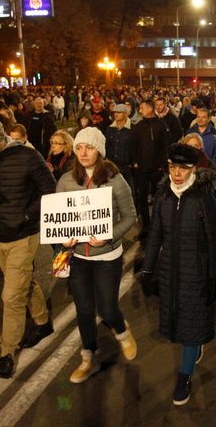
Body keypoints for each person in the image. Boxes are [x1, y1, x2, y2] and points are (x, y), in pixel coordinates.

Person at [0, 115, 57, 378]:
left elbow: (49, 189)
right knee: (23, 283)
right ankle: (42, 322)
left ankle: (7, 353)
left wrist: (27, 216)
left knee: (12, 296)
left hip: (22, 236)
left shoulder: (28, 157)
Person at [141, 143, 216, 406]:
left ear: (193, 169)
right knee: (177, 319)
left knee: (191, 324)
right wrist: (148, 268)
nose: (177, 173)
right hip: (170, 270)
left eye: (183, 168)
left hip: (196, 271)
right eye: (173, 167)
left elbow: (214, 239)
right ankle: (195, 347)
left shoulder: (203, 196)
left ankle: (184, 376)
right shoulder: (164, 194)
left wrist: (213, 276)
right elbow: (155, 234)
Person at [56, 127, 138, 384]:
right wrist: (63, 237)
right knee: (84, 309)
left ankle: (122, 331)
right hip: (79, 257)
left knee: (108, 307)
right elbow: (59, 218)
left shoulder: (115, 179)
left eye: (89, 147)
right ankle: (87, 356)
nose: (83, 152)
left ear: (99, 151)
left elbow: (130, 216)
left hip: (107, 256)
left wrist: (109, 236)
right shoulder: (66, 180)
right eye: (79, 147)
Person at [130, 99, 172, 237]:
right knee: (141, 198)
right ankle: (146, 226)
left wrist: (162, 166)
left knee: (158, 198)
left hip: (157, 170)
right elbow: (133, 146)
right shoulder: (138, 126)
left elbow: (166, 147)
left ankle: (158, 225)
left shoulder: (161, 125)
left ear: (150, 108)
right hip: (141, 170)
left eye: (142, 108)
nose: (140, 111)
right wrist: (135, 162)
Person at [104, 104, 134, 189]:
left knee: (128, 188)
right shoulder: (110, 129)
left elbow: (134, 147)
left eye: (119, 112)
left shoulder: (132, 128)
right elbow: (106, 145)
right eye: (115, 112)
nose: (116, 114)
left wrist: (132, 162)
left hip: (127, 166)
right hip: (112, 164)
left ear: (125, 114)